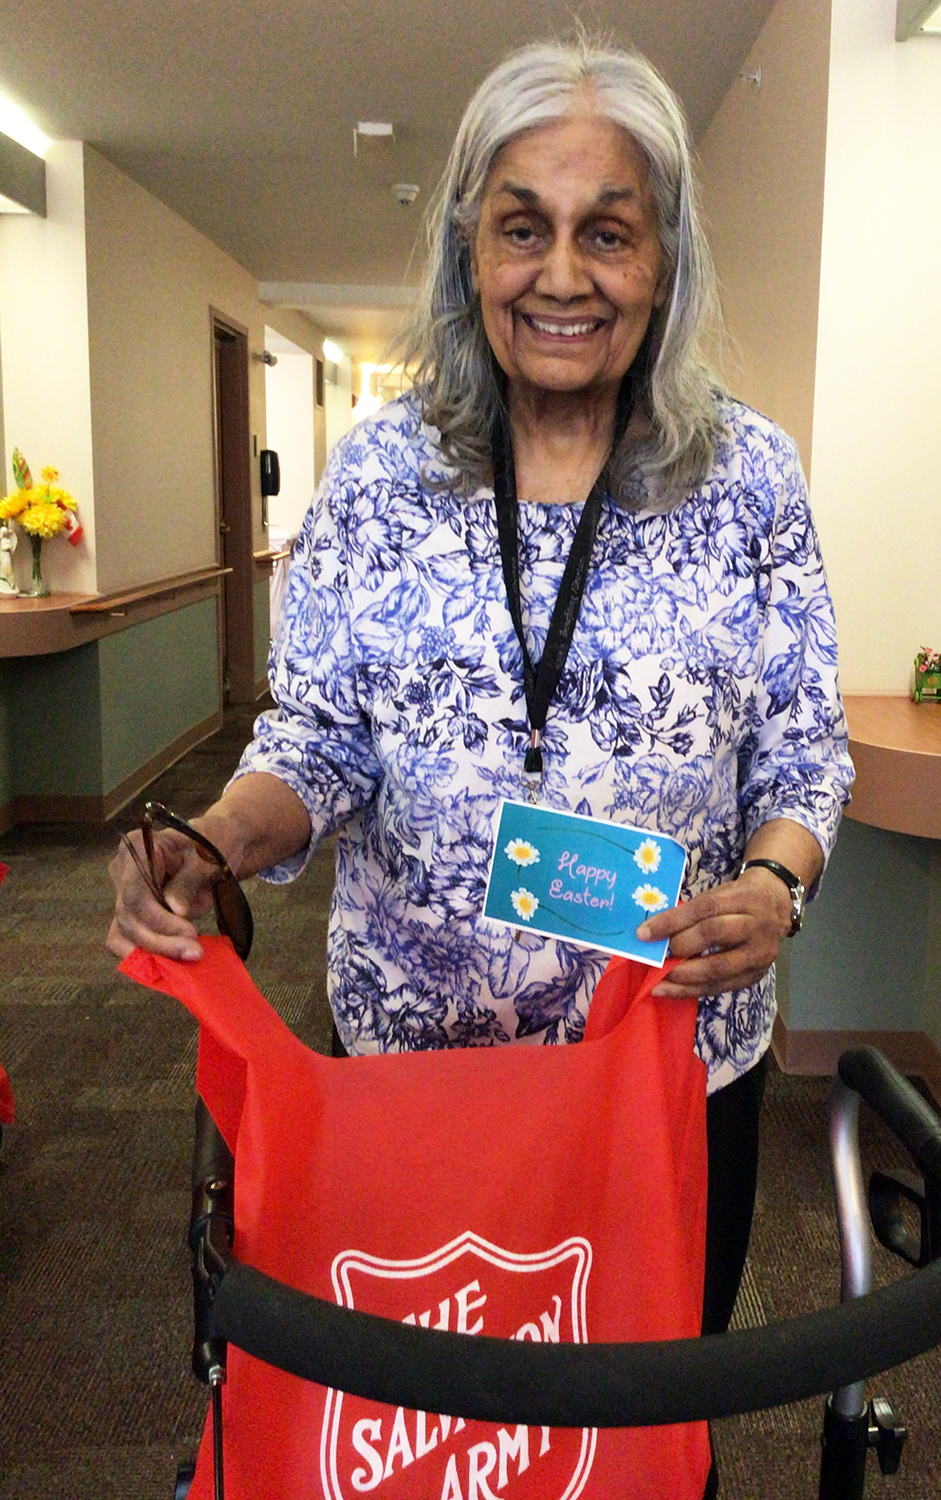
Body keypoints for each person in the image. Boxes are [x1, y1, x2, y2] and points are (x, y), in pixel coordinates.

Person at [107, 35, 853, 1460]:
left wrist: (774, 887)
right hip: (409, 1083)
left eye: (607, 232)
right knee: (409, 1440)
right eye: (523, 227)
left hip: (660, 1078)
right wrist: (215, 839)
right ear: (468, 248)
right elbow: (313, 739)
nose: (562, 275)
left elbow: (801, 745)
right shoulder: (385, 475)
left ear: (662, 257)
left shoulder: (746, 476)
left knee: (632, 1434)